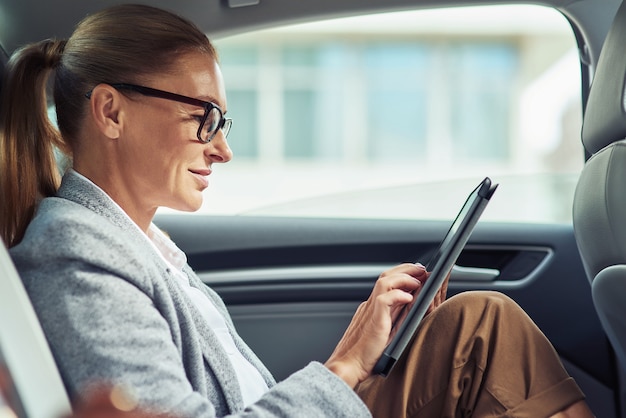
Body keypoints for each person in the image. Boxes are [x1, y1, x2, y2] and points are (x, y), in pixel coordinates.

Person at [0, 4, 594, 417]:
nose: (223, 148)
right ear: (110, 112)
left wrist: (354, 355)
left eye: (223, 123)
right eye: (202, 117)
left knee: (473, 324)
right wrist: (342, 371)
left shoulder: (142, 247)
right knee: (483, 330)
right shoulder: (76, 254)